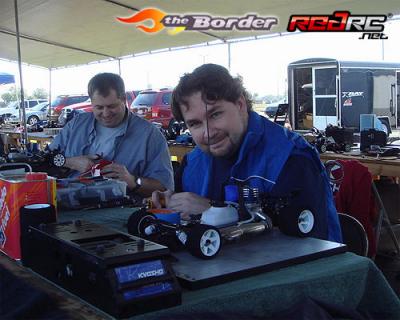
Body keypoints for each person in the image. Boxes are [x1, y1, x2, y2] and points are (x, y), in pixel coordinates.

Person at [152, 64, 342, 242]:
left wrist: (213, 212)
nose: (208, 133)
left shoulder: (291, 158)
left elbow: (307, 243)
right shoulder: (192, 164)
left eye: (215, 114)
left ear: (240, 104)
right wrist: (165, 206)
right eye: (195, 124)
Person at [50, 73, 173, 197]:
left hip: (122, 209)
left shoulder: (149, 135)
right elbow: (44, 161)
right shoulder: (76, 125)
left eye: (111, 106)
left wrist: (133, 181)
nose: (106, 113)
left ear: (124, 99)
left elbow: (164, 187)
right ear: (91, 102)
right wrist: (68, 162)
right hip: (69, 202)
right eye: (99, 107)